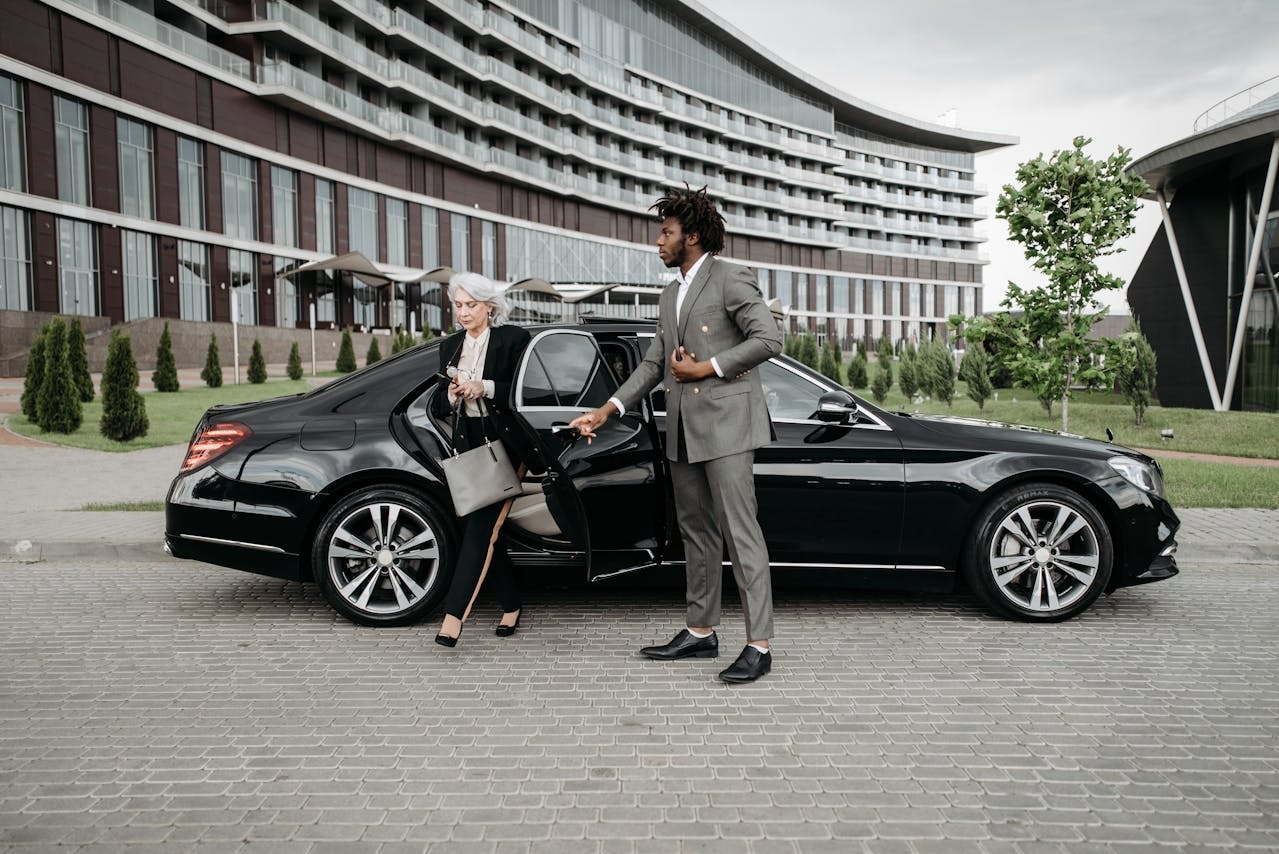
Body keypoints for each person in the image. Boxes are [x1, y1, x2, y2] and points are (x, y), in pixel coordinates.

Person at [570, 186, 782, 683]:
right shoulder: (670, 293)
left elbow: (769, 339)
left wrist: (707, 366)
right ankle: (701, 631)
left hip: (728, 428)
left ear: (690, 236)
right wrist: (606, 410)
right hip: (684, 431)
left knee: (740, 533)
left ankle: (760, 644)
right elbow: (652, 364)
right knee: (697, 533)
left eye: (665, 233)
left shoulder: (731, 277)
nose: (657, 242)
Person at [432, 272, 531, 647]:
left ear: (490, 306)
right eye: (458, 305)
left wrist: (484, 387)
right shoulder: (451, 347)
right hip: (468, 442)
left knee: (481, 529)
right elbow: (439, 402)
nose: (463, 312)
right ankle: (511, 603)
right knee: (488, 529)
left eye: (471, 305)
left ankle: (453, 619)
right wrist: (456, 395)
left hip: (505, 443)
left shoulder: (513, 340)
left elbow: (525, 391)